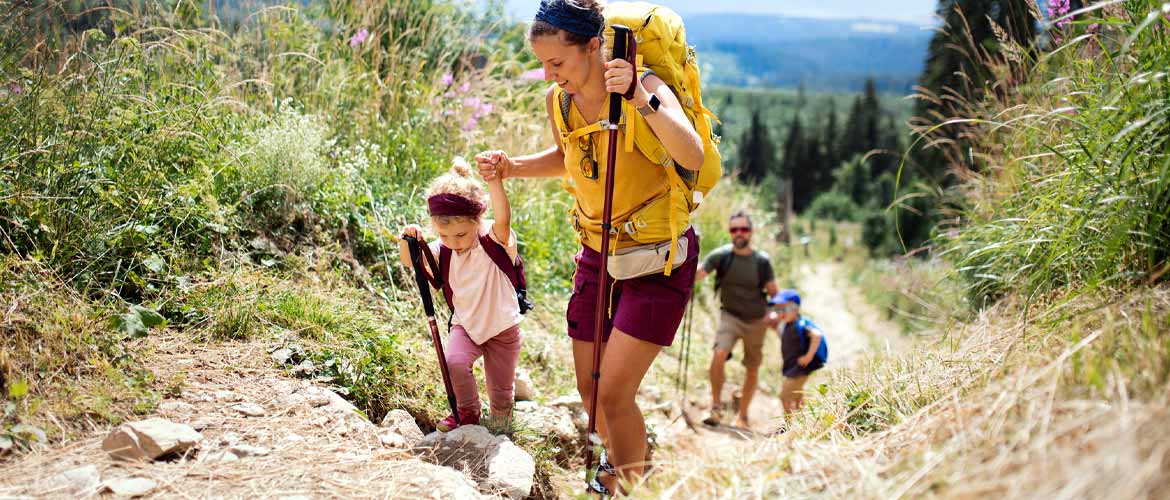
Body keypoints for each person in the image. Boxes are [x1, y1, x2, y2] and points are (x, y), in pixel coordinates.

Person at [474, 0, 706, 494]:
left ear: (594, 47)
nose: (548, 74)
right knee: (591, 389)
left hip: (657, 256)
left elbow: (691, 153)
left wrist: (641, 99)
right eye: (542, 63)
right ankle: (622, 469)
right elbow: (568, 155)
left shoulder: (643, 87)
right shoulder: (560, 102)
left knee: (616, 392)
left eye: (556, 63)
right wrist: (512, 168)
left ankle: (628, 486)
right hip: (598, 253)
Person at [397, 158, 523, 432]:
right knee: (454, 361)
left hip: (502, 327)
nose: (455, 242)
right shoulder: (444, 249)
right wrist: (406, 239)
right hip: (466, 324)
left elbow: (504, 217)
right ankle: (467, 412)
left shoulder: (493, 239)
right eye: (444, 235)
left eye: (461, 235)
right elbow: (410, 261)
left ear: (478, 220)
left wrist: (495, 181)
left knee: (501, 391)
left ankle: (502, 427)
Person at [694, 210, 779, 429]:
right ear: (730, 232)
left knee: (752, 368)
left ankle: (742, 415)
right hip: (730, 316)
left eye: (743, 229)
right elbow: (698, 274)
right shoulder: (721, 256)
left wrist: (774, 312)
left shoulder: (762, 261)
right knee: (719, 352)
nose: (739, 233)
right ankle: (716, 407)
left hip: (756, 321)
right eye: (734, 229)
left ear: (751, 232)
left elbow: (774, 293)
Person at [768, 289, 826, 416]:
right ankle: (804, 418)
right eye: (778, 310)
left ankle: (790, 423)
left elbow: (817, 336)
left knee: (784, 397)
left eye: (784, 309)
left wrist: (808, 357)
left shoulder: (801, 324)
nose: (780, 313)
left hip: (800, 368)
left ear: (795, 309)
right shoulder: (787, 325)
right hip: (793, 367)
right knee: (798, 396)